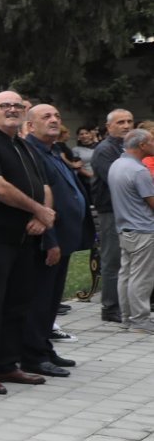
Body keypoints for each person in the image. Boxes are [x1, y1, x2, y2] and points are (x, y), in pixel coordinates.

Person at [0, 90, 58, 393]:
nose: (12, 110)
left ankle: (7, 365)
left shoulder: (23, 144)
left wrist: (42, 216)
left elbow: (42, 184)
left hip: (25, 237)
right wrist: (38, 210)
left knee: (18, 303)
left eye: (18, 105)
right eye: (5, 105)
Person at [24, 104, 87, 373]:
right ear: (30, 125)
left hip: (64, 239)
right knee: (40, 300)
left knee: (51, 300)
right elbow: (41, 201)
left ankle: (45, 349)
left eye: (57, 116)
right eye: (46, 117)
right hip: (49, 241)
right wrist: (50, 240)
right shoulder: (31, 152)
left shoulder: (53, 150)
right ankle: (34, 355)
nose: (54, 120)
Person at [90, 109, 136, 322]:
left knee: (129, 260)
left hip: (129, 210)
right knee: (112, 259)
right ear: (109, 127)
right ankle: (109, 308)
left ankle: (126, 304)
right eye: (121, 122)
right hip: (111, 210)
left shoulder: (129, 148)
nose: (126, 125)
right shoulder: (105, 150)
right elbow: (118, 179)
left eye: (129, 121)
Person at [107, 129, 154, 333]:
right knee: (141, 277)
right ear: (142, 145)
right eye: (152, 140)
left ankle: (127, 317)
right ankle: (140, 321)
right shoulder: (139, 171)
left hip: (124, 227)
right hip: (143, 229)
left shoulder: (117, 164)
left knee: (126, 274)